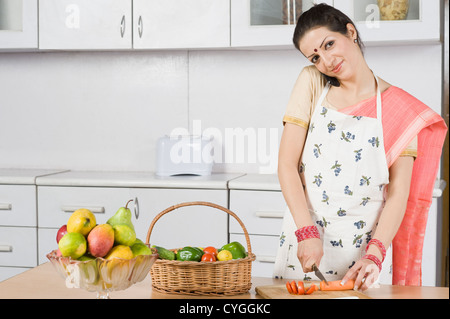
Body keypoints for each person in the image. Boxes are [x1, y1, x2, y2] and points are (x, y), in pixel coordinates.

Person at [273, 4, 447, 291]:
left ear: (350, 32)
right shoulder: (313, 82)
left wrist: (374, 255)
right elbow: (286, 164)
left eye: (329, 44)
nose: (327, 61)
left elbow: (398, 194)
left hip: (363, 255)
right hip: (306, 246)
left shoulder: (401, 109)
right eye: (315, 56)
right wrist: (305, 231)